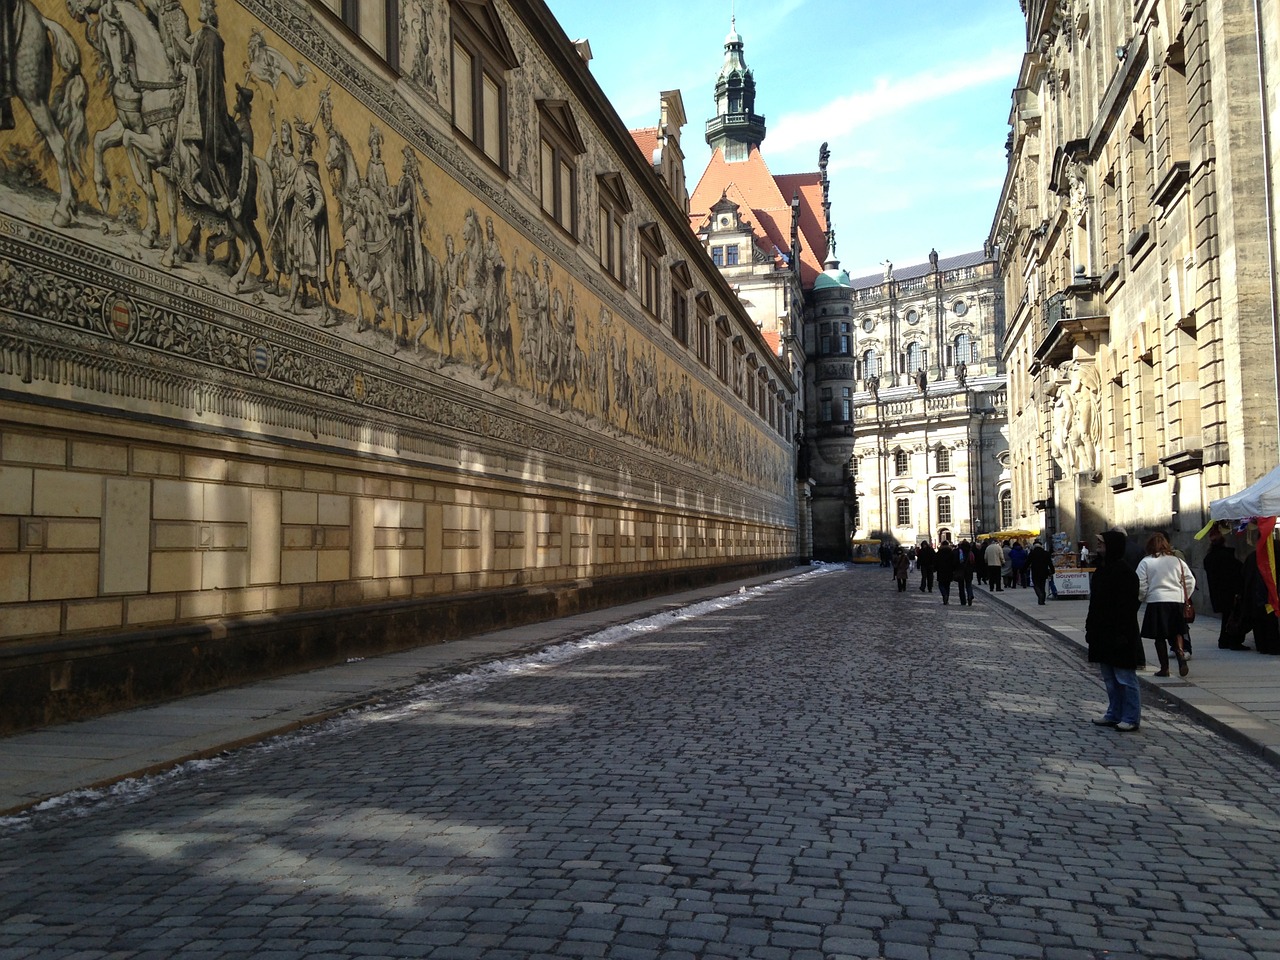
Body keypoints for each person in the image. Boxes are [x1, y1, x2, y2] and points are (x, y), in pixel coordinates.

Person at [1086, 529, 1144, 732]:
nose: (1098, 545)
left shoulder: (1125, 573)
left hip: (1120, 633)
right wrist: (1090, 627)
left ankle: (1130, 716)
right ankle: (1114, 713)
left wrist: (1121, 633)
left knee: (1125, 678)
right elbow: (1095, 603)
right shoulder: (1102, 569)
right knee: (1110, 678)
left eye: (1101, 542)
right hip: (1102, 632)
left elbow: (1127, 607)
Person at [1136, 531, 1196, 677]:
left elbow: (1140, 583)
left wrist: (1143, 597)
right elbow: (1190, 580)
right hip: (1176, 600)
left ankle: (1165, 668)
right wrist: (1183, 595)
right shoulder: (1177, 561)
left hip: (1156, 601)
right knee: (1176, 631)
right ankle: (1181, 654)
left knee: (1160, 636)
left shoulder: (1146, 562)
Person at [1202, 525, 1247, 650]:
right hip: (1229, 591)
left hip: (1218, 592)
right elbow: (1237, 572)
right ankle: (1232, 640)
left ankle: (1225, 639)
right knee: (1232, 616)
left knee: (1227, 616)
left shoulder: (1209, 558)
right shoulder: (1227, 557)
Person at [1028, 541, 1054, 605]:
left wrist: (1022, 570)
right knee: (1042, 585)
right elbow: (1050, 563)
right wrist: (1053, 570)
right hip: (1044, 571)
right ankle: (1042, 599)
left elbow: (1027, 562)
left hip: (1035, 571)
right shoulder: (1046, 553)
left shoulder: (1032, 553)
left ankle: (1040, 595)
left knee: (1036, 584)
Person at [955, 540, 977, 606]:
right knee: (968, 584)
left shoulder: (959, 552)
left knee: (961, 586)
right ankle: (970, 595)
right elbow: (973, 561)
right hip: (969, 570)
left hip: (961, 570)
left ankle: (963, 601)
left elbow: (956, 561)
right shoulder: (971, 553)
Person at [935, 541, 957, 605]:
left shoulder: (939, 552)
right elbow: (954, 562)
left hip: (941, 571)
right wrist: (953, 569)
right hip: (949, 571)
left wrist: (936, 568)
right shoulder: (951, 552)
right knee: (947, 585)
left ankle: (944, 595)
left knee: (941, 584)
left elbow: (936, 561)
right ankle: (946, 598)